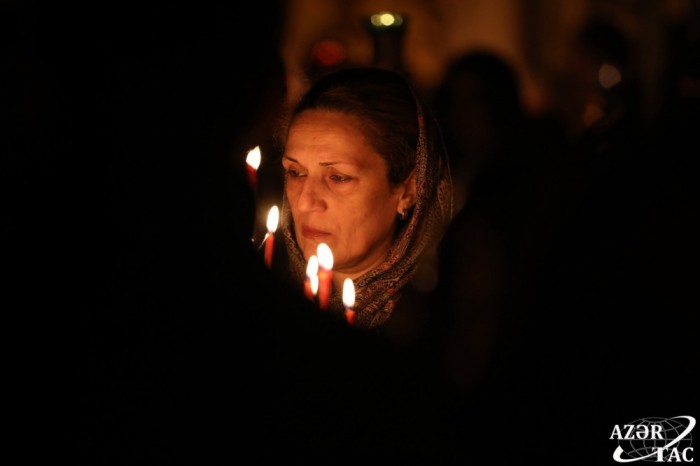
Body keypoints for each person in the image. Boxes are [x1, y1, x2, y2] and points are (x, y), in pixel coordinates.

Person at [273, 66, 453, 339]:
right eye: (296, 173)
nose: (305, 203)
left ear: (409, 190)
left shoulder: (432, 329)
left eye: (338, 177)